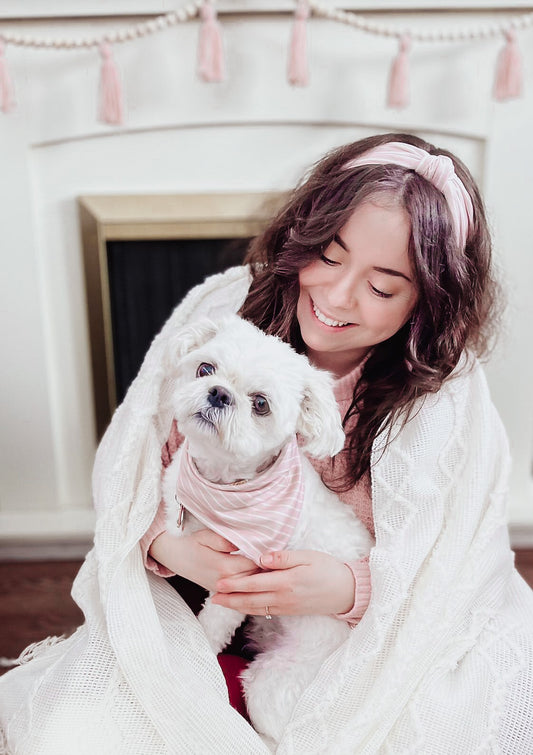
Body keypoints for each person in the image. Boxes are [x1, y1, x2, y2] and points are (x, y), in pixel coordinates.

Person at [1, 133, 532, 754]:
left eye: (383, 287)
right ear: (303, 237)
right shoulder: (226, 306)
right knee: (72, 731)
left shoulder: (441, 391)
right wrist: (172, 547)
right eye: (329, 258)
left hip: (358, 621)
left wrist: (348, 588)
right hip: (200, 590)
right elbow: (133, 469)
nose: (337, 297)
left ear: (427, 306)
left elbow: (452, 561)